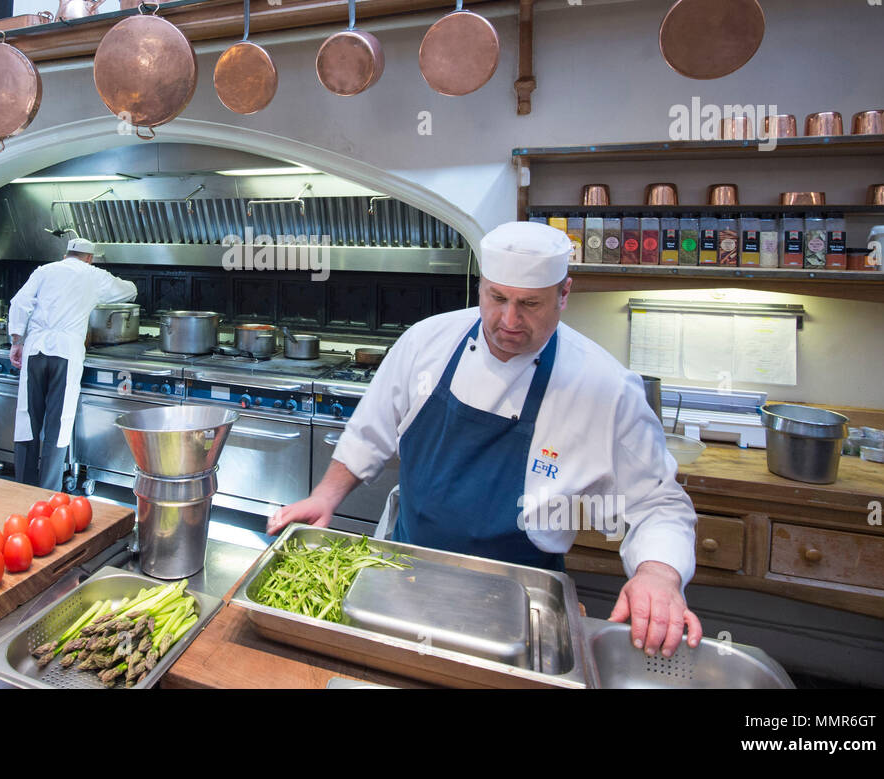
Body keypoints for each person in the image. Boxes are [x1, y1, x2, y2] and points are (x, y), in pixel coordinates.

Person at [269, 221, 701, 659]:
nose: (509, 321)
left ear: (564, 294)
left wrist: (659, 575)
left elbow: (660, 504)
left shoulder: (605, 387)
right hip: (402, 573)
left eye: (530, 304)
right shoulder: (427, 342)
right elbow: (371, 431)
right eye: (497, 298)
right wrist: (325, 496)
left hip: (520, 602)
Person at [9, 237, 137, 487]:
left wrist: (16, 341)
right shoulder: (93, 274)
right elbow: (130, 290)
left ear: (66, 254)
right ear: (89, 257)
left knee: (27, 418)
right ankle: (49, 491)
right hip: (66, 353)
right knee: (59, 422)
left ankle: (22, 487)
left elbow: (19, 303)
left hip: (34, 349)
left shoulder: (44, 271)